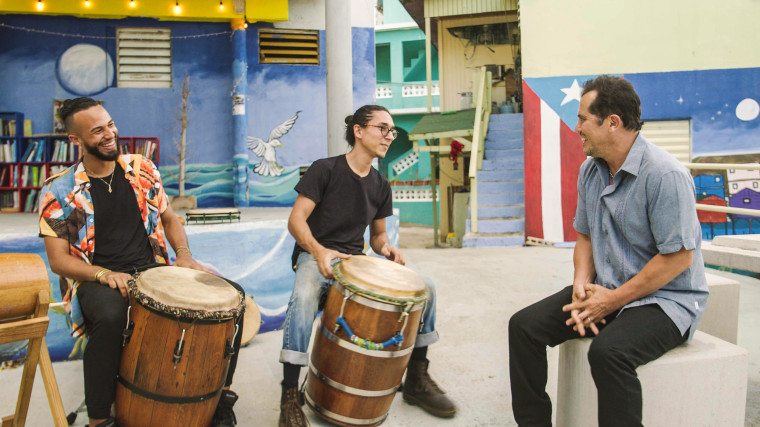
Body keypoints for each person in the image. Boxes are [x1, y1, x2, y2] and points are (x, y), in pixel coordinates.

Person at [508, 75, 709, 427]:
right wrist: (582, 284)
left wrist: (612, 301)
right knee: (524, 327)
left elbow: (678, 258)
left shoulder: (665, 175)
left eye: (584, 119)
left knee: (609, 353)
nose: (577, 127)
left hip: (666, 301)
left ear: (612, 123)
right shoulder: (591, 171)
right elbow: (584, 236)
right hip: (609, 290)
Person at [38, 97, 244, 427]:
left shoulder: (142, 171)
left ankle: (221, 399)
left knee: (234, 300)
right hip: (98, 278)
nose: (109, 134)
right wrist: (104, 274)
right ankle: (100, 419)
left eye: (110, 124)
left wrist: (185, 257)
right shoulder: (60, 191)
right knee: (111, 316)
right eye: (97, 131)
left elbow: (170, 219)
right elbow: (59, 260)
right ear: (75, 140)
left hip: (153, 269)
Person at [278, 105, 457, 426]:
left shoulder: (380, 185)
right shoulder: (325, 169)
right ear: (358, 131)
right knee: (304, 296)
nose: (389, 136)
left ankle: (416, 378)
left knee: (425, 286)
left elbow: (377, 237)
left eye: (393, 131)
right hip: (315, 256)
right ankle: (290, 393)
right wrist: (319, 252)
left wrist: (387, 248)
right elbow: (296, 220)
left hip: (355, 262)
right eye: (382, 128)